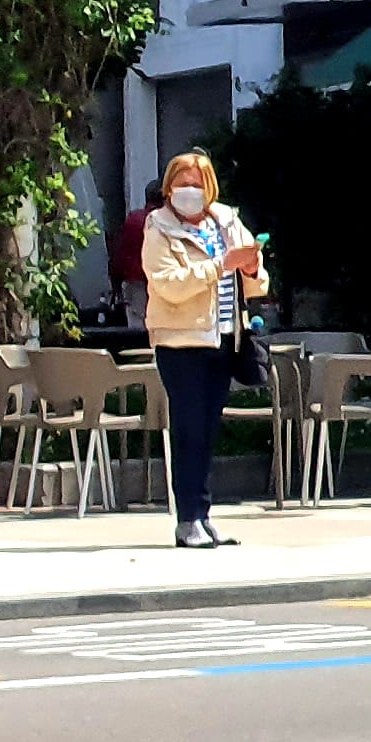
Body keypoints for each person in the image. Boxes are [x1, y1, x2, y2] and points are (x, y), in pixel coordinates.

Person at [141, 149, 266, 549]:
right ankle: (188, 518)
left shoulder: (227, 219)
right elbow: (168, 284)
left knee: (209, 430)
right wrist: (221, 265)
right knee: (189, 429)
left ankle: (205, 515)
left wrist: (250, 267)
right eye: (182, 183)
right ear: (169, 187)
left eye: (197, 183)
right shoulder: (158, 226)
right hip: (181, 342)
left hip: (225, 337)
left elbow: (258, 280)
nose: (189, 191)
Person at [117, 175, 159, 337]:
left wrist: (116, 280)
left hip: (134, 280)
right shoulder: (166, 222)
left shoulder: (133, 219)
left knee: (137, 327)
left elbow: (121, 252)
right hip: (160, 281)